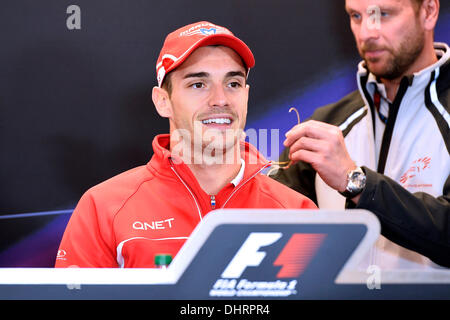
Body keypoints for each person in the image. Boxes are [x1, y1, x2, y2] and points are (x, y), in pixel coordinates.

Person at [55, 21, 316, 268]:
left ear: (246, 95)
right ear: (162, 101)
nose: (220, 99)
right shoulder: (103, 208)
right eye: (198, 84)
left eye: (233, 83)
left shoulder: (296, 211)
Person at [272, 0, 450, 269]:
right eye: (356, 16)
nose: (367, 32)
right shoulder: (326, 126)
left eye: (383, 14)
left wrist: (357, 182)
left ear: (428, 11)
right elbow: (269, 231)